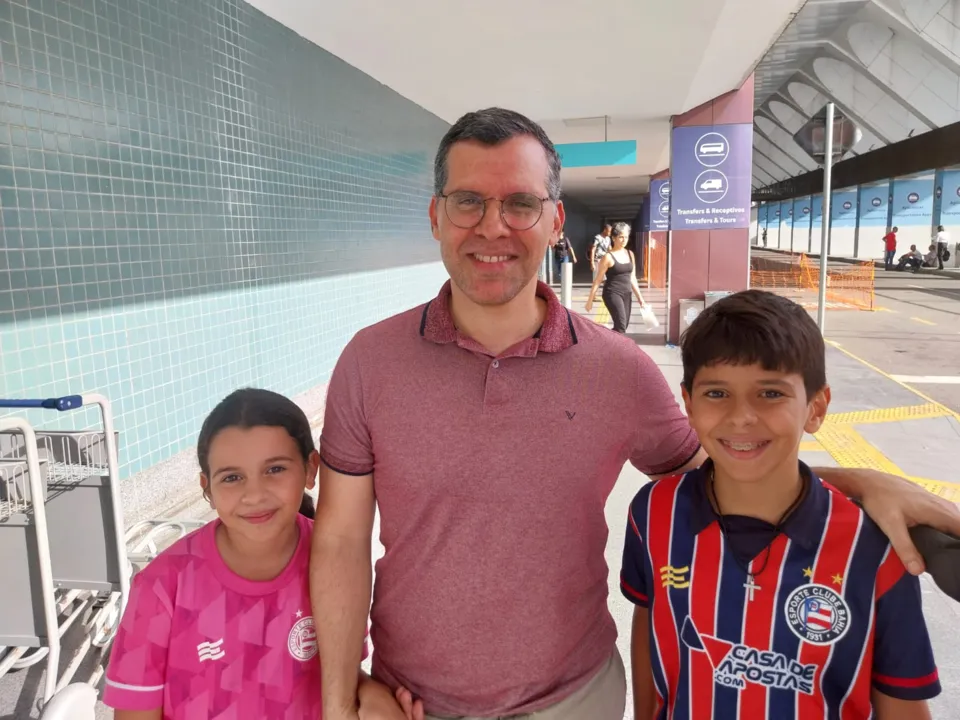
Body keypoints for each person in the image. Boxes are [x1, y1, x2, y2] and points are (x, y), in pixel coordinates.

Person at [310, 107, 960, 720]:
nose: (492, 226)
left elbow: (733, 470)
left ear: (556, 220)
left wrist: (865, 484)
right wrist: (341, 700)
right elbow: (339, 541)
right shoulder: (371, 362)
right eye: (468, 201)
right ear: (434, 214)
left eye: (520, 203)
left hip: (577, 698)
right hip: (409, 700)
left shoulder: (616, 369)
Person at [622, 290, 941, 720]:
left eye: (770, 394)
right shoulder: (653, 514)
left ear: (816, 407)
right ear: (688, 405)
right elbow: (650, 632)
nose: (741, 417)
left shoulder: (875, 547)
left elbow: (901, 702)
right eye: (717, 394)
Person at [103, 388, 421, 720]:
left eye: (275, 470)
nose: (254, 494)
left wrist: (374, 699)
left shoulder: (335, 562)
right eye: (232, 477)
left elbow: (343, 678)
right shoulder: (160, 587)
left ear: (311, 469)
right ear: (207, 488)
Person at [585, 221, 647, 333]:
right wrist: (590, 300)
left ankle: (605, 338)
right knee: (621, 325)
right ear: (614, 238)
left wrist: (640, 298)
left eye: (626, 237)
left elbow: (632, 278)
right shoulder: (607, 257)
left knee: (623, 326)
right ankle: (614, 347)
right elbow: (598, 280)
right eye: (621, 237)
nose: (624, 240)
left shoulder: (630, 254)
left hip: (627, 293)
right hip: (612, 293)